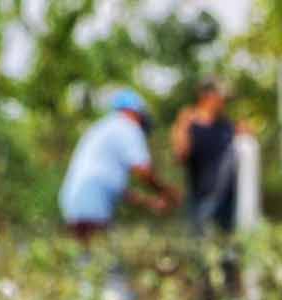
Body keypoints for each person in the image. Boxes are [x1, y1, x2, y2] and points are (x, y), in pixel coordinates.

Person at [58, 89, 180, 241]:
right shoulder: (127, 127)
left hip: (75, 201)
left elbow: (115, 187)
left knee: (87, 257)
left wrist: (149, 202)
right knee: (99, 257)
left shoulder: (103, 127)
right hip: (91, 203)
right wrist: (167, 192)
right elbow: (143, 171)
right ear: (134, 112)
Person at [172, 80, 240, 234]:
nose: (224, 103)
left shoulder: (226, 125)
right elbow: (179, 157)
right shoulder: (189, 122)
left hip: (227, 199)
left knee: (227, 244)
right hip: (201, 198)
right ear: (206, 96)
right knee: (199, 246)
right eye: (221, 98)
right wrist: (183, 127)